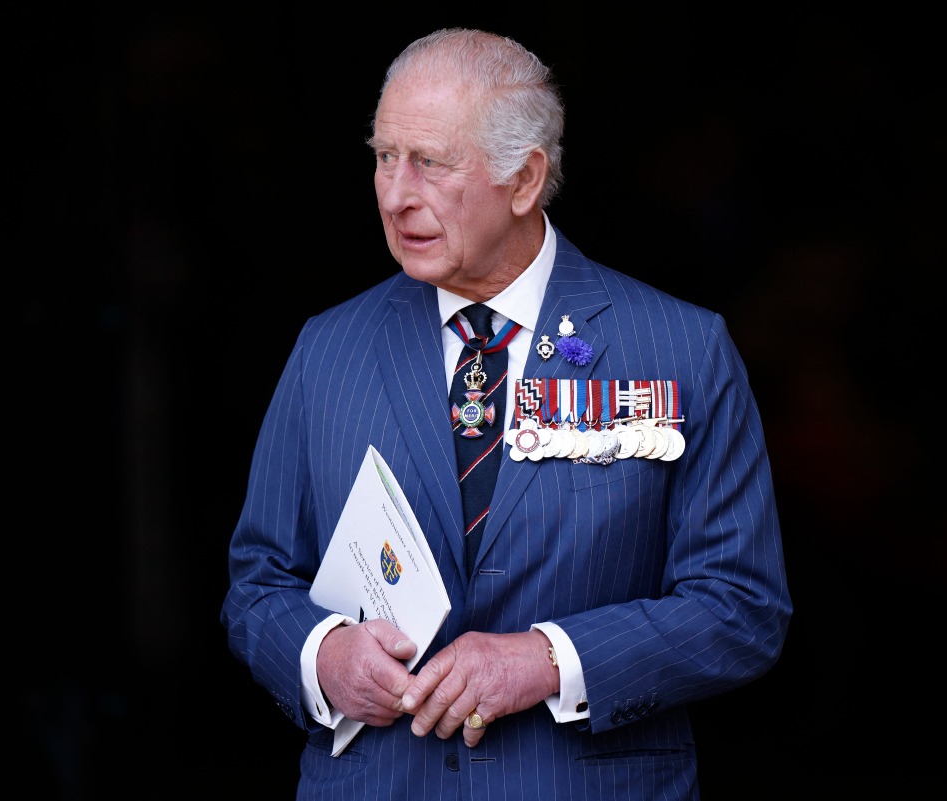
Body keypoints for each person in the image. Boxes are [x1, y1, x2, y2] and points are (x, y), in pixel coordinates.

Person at [221, 27, 791, 800]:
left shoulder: (682, 347)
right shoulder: (329, 348)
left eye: (430, 161)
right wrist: (321, 656)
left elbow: (741, 605)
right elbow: (258, 582)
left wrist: (549, 658)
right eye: (384, 156)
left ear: (525, 180)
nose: (395, 193)